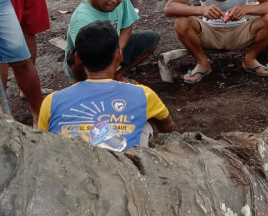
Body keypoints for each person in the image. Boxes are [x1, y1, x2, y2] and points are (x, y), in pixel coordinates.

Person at [39, 20, 175, 148]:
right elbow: (169, 128)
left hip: (66, 169)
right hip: (123, 169)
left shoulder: (51, 101)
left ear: (77, 58)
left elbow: (40, 143)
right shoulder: (143, 94)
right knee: (148, 121)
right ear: (119, 56)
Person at [64, 0, 160, 82]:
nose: (115, 0)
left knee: (151, 39)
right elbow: (86, 54)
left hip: (111, 47)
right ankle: (87, 86)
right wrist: (113, 57)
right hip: (90, 58)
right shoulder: (82, 17)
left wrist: (116, 51)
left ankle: (117, 75)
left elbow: (127, 28)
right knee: (77, 55)